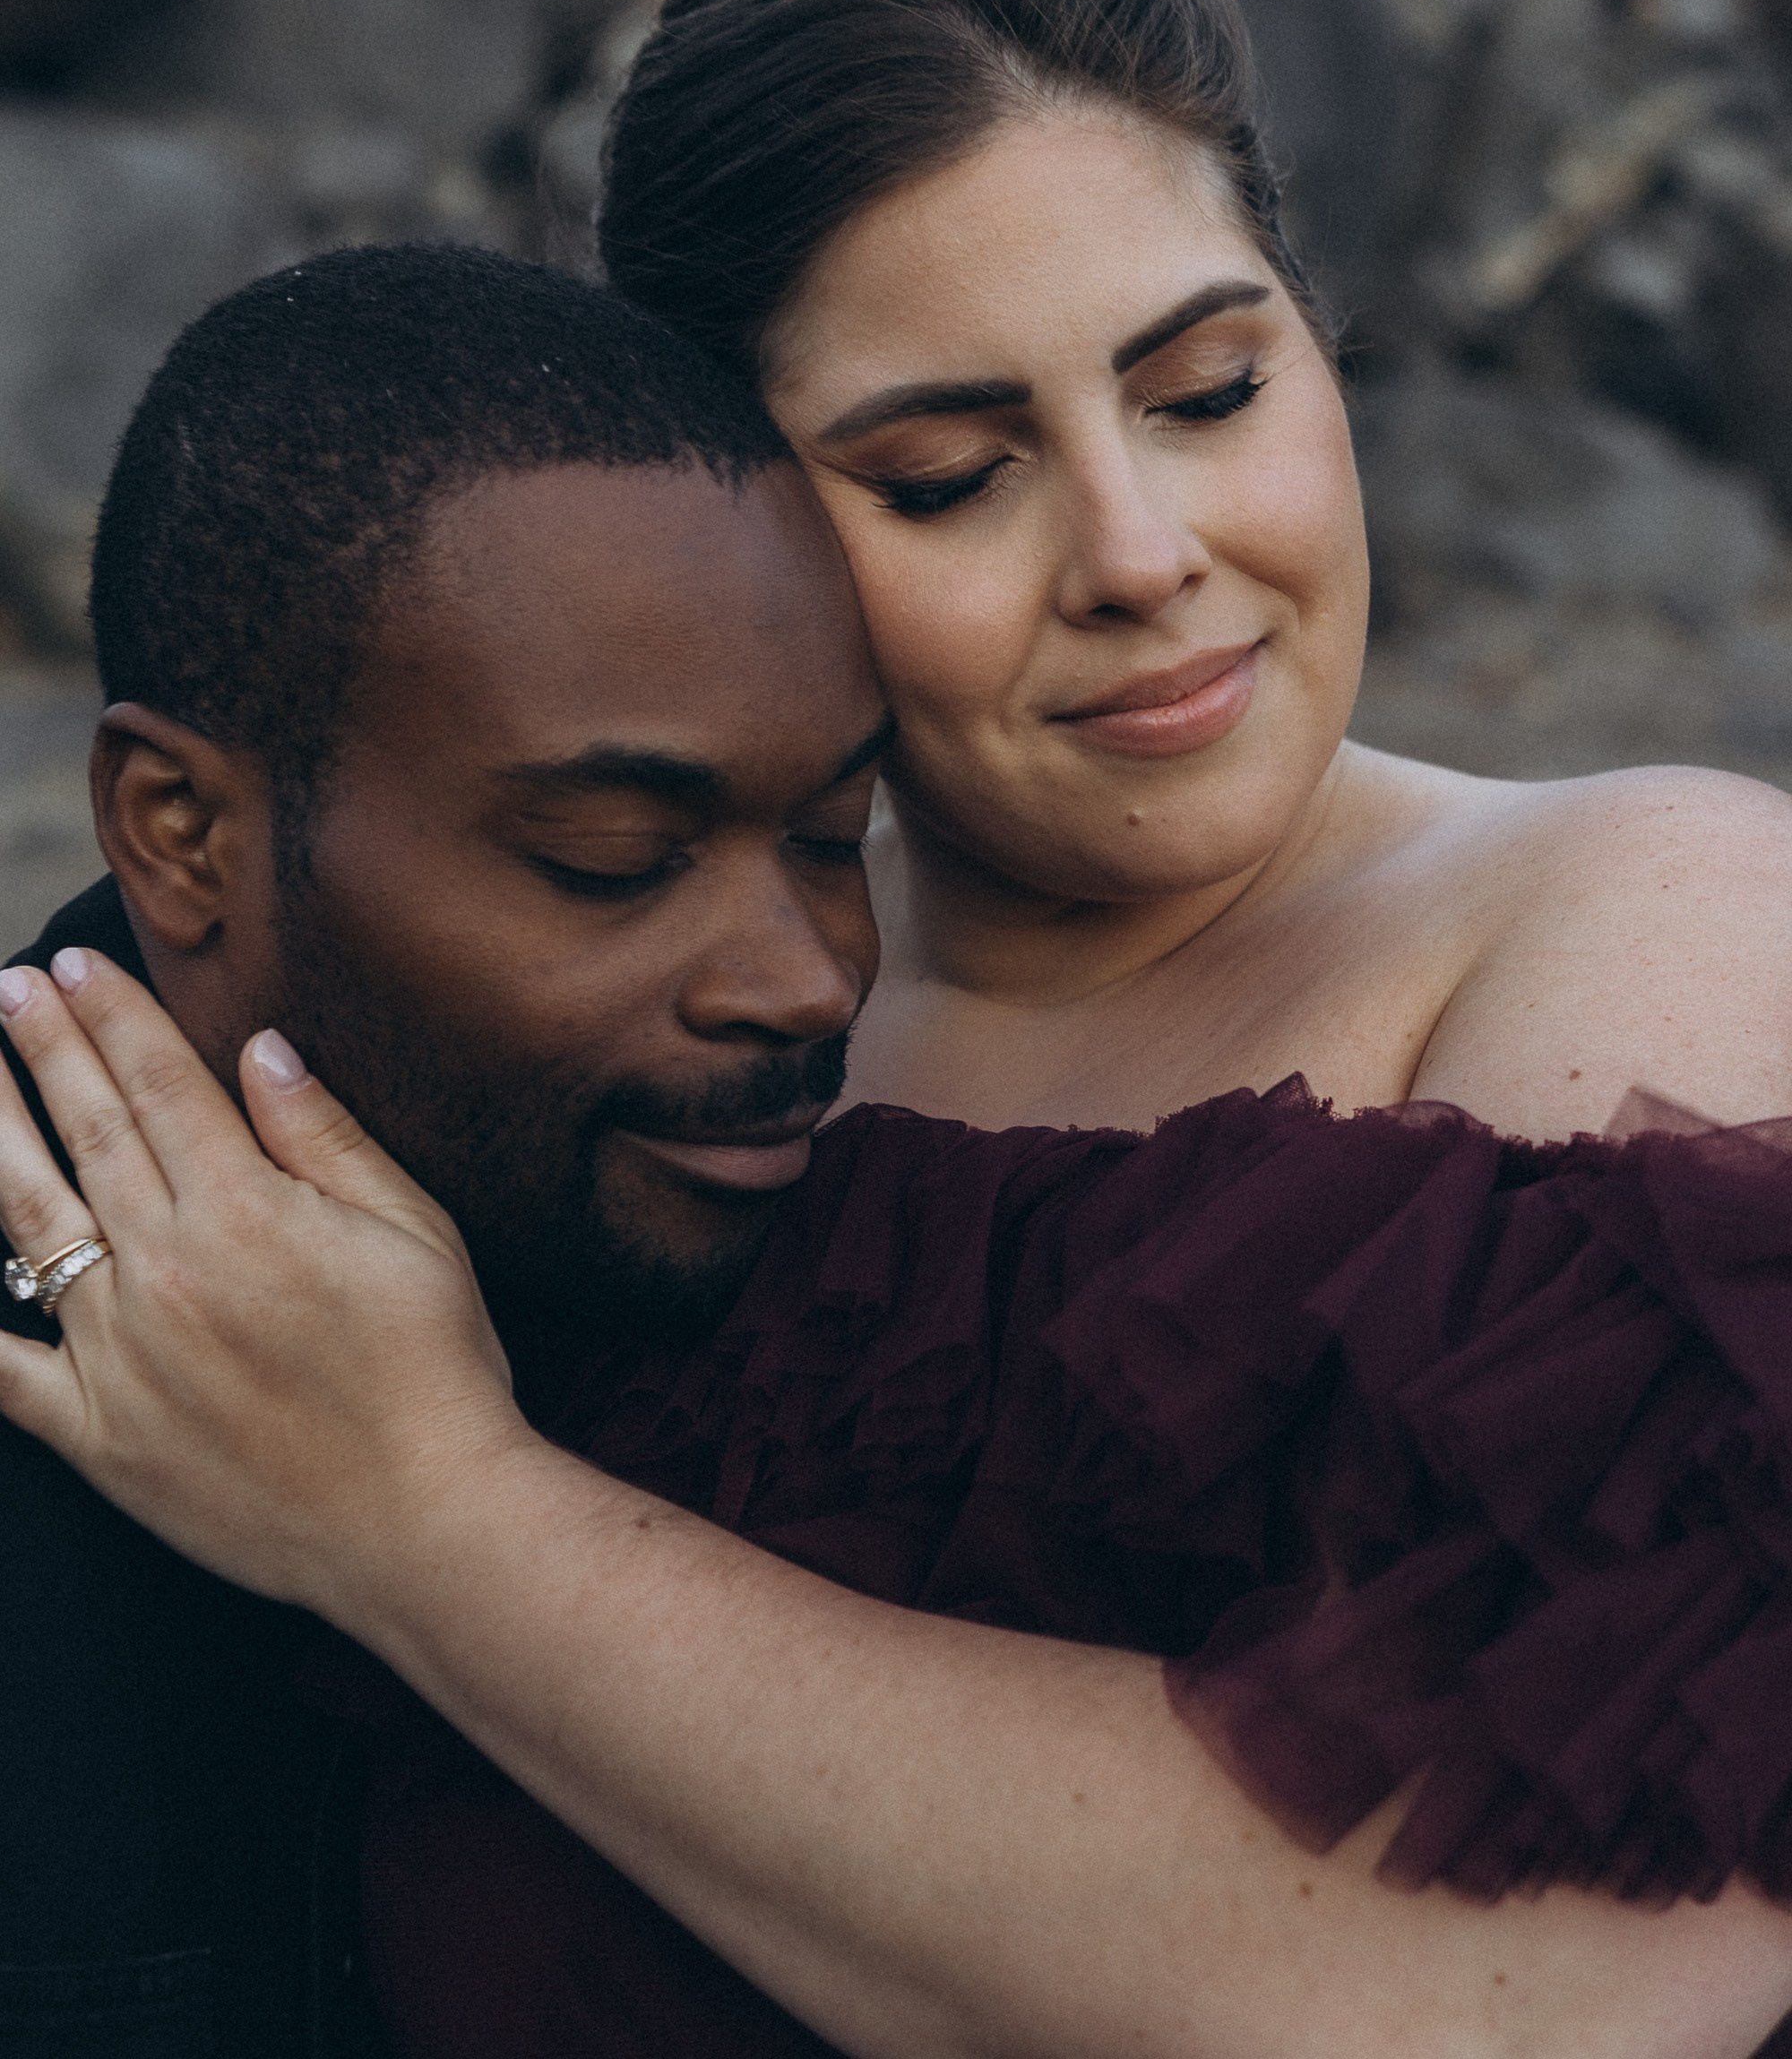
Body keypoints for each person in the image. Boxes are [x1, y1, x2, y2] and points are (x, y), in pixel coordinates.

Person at [5, 246, 1792, 2059]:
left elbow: (1502, 1983)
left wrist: (430, 1513)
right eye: (612, 860)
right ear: (177, 832)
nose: (809, 986)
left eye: (836, 836)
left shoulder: (865, 1246)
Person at [599, 0, 1792, 1148]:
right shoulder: (652, 1039)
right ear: (730, 522)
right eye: (947, 479)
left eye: (1210, 395)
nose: (1140, 556)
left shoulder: (1657, 909)